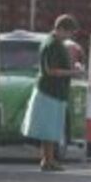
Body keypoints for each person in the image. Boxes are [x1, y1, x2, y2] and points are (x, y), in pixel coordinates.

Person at [21, 14, 83, 171]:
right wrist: (73, 73)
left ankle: (48, 160)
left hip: (54, 91)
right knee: (48, 128)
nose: (69, 36)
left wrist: (71, 69)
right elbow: (51, 70)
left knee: (50, 129)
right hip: (49, 91)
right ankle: (48, 160)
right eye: (69, 32)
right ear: (60, 29)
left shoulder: (55, 43)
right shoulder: (52, 44)